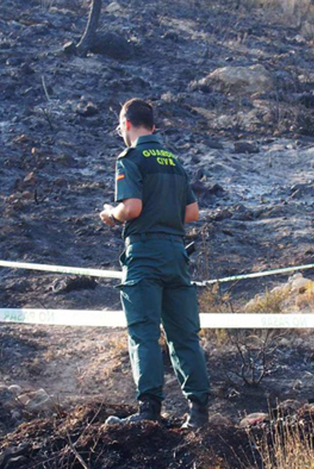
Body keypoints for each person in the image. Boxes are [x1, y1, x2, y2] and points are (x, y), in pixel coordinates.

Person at [99, 98, 211, 429]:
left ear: (127, 124)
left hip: (145, 255)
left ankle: (149, 412)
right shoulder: (174, 162)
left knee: (144, 333)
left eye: (120, 126)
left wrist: (111, 214)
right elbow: (192, 214)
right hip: (176, 254)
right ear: (154, 126)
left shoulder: (130, 159)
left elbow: (131, 208)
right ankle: (198, 412)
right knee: (184, 335)